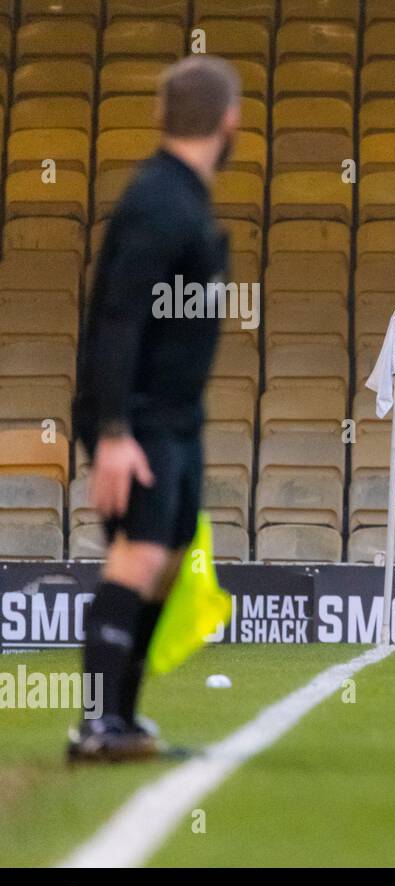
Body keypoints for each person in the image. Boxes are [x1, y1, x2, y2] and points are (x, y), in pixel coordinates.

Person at [68, 56, 241, 761]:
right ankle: (94, 725)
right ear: (229, 123)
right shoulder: (158, 200)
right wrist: (112, 432)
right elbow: (116, 320)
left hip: (175, 413)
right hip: (136, 413)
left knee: (167, 562)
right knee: (137, 556)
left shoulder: (185, 197)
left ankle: (124, 720)